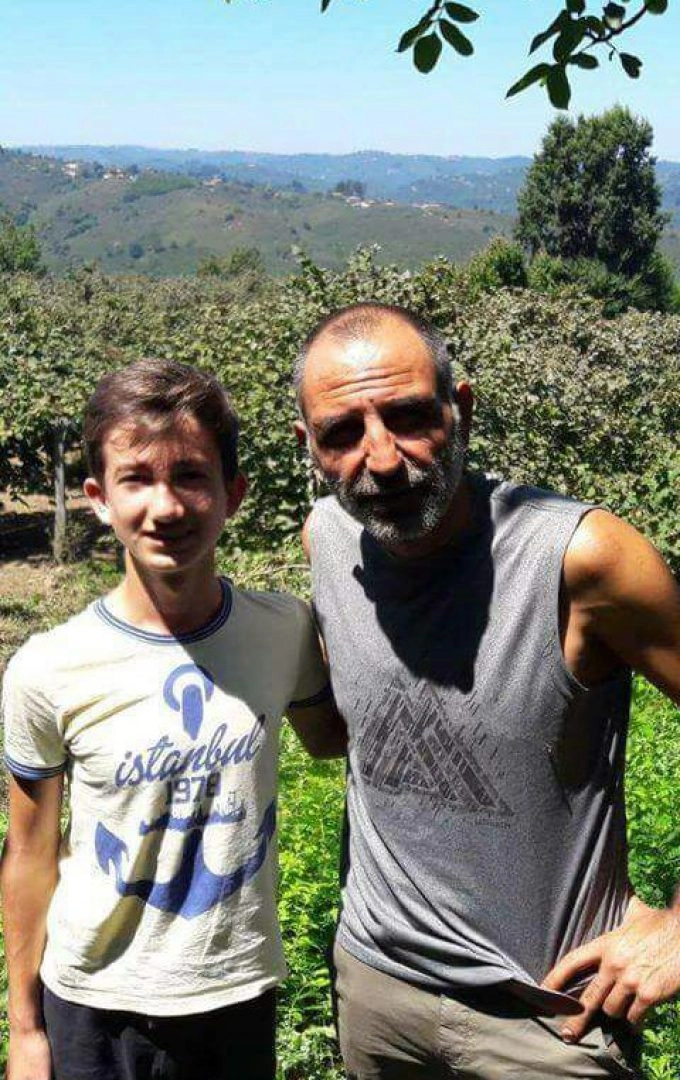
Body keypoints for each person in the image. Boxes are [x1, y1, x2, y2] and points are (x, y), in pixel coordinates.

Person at [293, 302, 680, 1079]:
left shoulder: (580, 558)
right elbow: (349, 734)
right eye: (343, 433)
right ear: (310, 447)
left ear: (460, 409)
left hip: (545, 1017)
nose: (382, 458)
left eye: (409, 417)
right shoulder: (326, 538)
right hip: (375, 993)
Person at [1, 357, 344, 1080]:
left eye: (191, 475)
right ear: (98, 498)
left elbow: (337, 741)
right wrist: (26, 1029)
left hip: (235, 991)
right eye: (136, 479)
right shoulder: (48, 667)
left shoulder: (285, 631)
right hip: (92, 1003)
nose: (166, 507)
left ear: (233, 494)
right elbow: (30, 853)